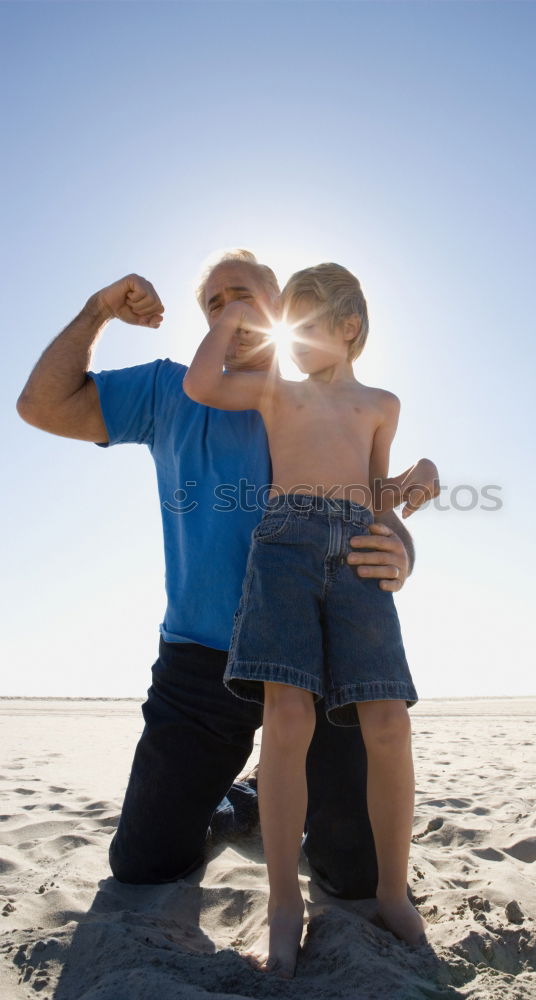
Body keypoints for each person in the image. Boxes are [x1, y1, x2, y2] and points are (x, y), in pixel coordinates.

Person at [16, 250, 438, 903]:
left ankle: (280, 805)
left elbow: (363, 503)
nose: (230, 310)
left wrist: (401, 549)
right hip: (200, 662)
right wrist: (100, 308)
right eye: (214, 302)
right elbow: (41, 405)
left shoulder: (319, 400)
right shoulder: (168, 392)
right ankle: (239, 803)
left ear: (285, 312)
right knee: (145, 864)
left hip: (320, 663)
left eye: (244, 296)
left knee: (353, 876)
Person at [184, 262, 427, 977]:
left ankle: (390, 891)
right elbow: (201, 384)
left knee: (389, 723)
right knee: (287, 720)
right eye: (289, 324)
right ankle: (284, 902)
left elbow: (375, 495)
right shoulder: (273, 391)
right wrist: (233, 316)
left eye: (310, 324)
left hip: (356, 550)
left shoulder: (381, 402)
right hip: (284, 546)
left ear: (348, 328)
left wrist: (418, 478)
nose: (294, 341)